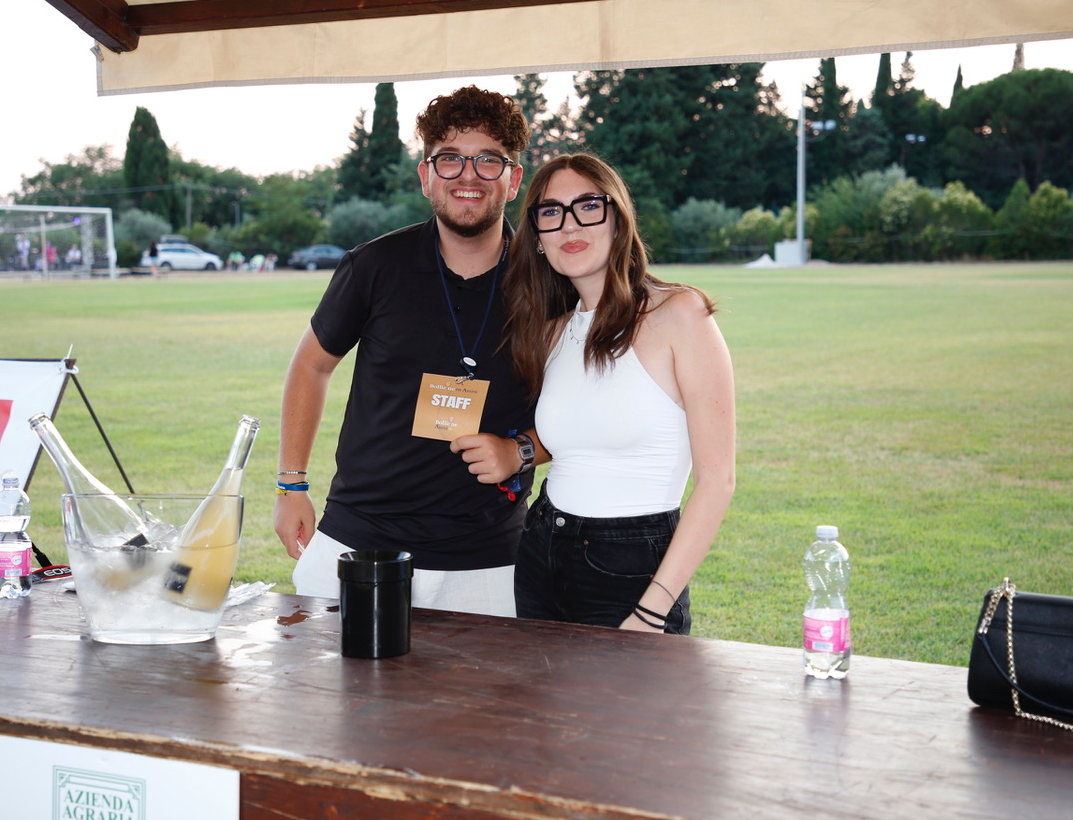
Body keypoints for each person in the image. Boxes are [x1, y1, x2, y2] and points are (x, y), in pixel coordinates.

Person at [273, 85, 535, 616]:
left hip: (490, 557)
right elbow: (311, 364)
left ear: (513, 181)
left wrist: (526, 450)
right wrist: (290, 484)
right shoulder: (374, 266)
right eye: (450, 159)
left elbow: (590, 400)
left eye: (489, 160)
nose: (468, 175)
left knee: (489, 703)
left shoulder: (548, 280)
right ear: (425, 176)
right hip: (358, 540)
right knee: (325, 698)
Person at [457, 153, 736, 634]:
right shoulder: (551, 333)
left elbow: (717, 482)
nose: (570, 226)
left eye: (587, 206)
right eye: (551, 213)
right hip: (542, 549)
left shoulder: (679, 315)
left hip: (633, 568)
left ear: (617, 218)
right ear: (538, 239)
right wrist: (518, 451)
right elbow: (575, 435)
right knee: (543, 711)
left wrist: (653, 609)